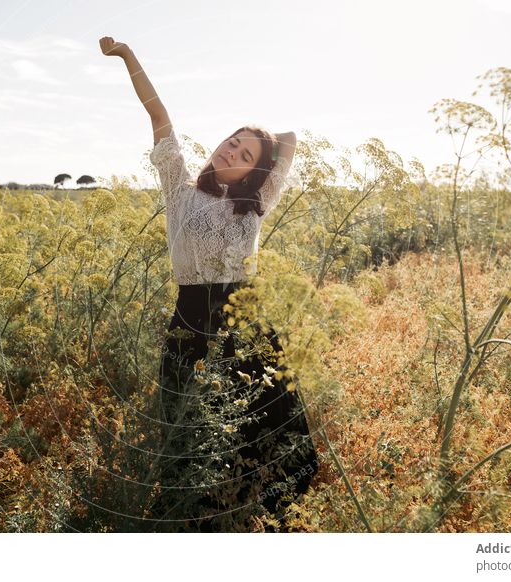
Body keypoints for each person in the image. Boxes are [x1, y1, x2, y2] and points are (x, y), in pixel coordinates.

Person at [100, 36, 319, 532]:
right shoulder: (178, 188)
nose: (231, 150)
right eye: (230, 141)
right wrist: (128, 56)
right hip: (191, 314)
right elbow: (159, 115)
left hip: (246, 313)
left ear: (254, 170)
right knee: (185, 420)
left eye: (243, 152)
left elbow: (289, 138)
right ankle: (190, 516)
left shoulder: (259, 200)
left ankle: (270, 516)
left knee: (263, 416)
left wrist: (262, 144)